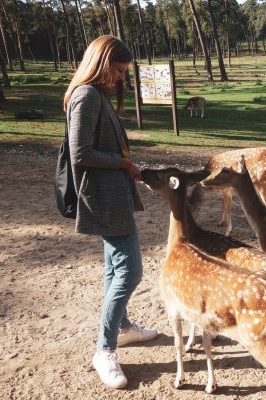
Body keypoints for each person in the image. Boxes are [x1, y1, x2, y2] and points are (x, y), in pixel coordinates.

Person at [63, 35, 157, 389]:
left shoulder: (97, 95)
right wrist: (121, 162)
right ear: (102, 63)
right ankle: (104, 350)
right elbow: (80, 153)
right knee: (130, 272)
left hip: (114, 193)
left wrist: (125, 167)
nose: (120, 78)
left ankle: (123, 328)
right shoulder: (86, 96)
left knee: (114, 267)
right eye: (118, 70)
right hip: (104, 198)